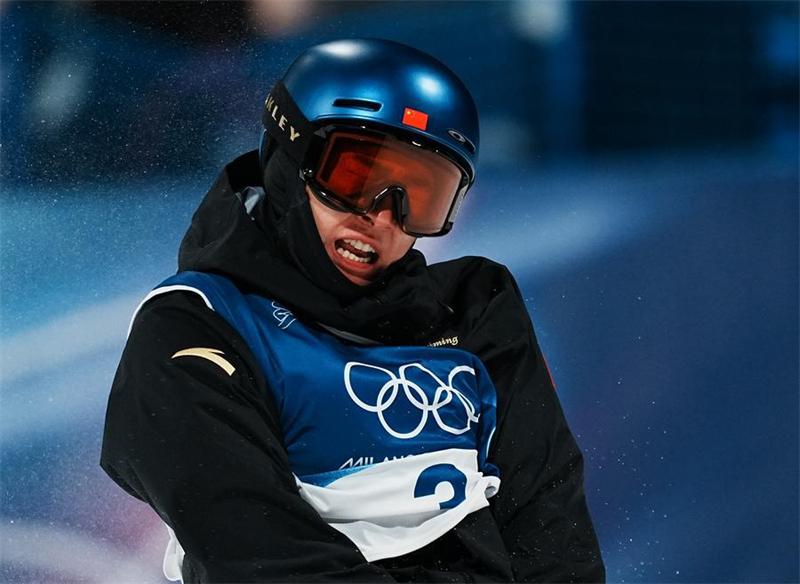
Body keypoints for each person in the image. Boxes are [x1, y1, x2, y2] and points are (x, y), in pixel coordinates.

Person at [100, 38, 605, 583]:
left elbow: (550, 527)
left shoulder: (473, 308)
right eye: (355, 178)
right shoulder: (196, 324)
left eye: (422, 195)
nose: (383, 218)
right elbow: (264, 557)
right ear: (289, 158)